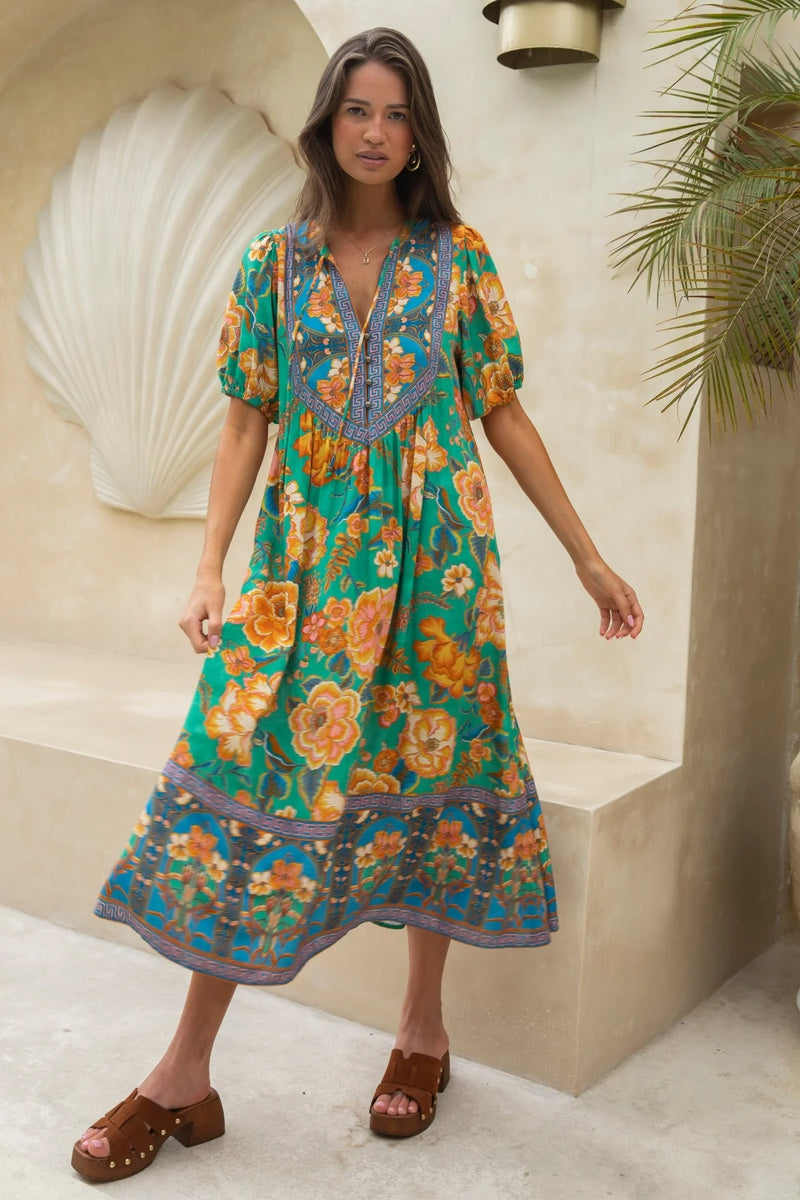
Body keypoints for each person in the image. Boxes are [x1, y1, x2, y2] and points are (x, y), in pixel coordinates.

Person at [71, 26, 643, 1183]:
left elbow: (501, 414)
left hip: (438, 572)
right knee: (243, 782)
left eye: (395, 114)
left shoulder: (459, 260)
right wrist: (207, 565)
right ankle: (183, 1074)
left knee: (428, 779)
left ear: (417, 131)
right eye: (356, 112)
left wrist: (584, 555)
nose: (375, 133)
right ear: (326, 124)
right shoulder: (268, 268)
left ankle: (422, 1035)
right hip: (303, 574)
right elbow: (243, 421)